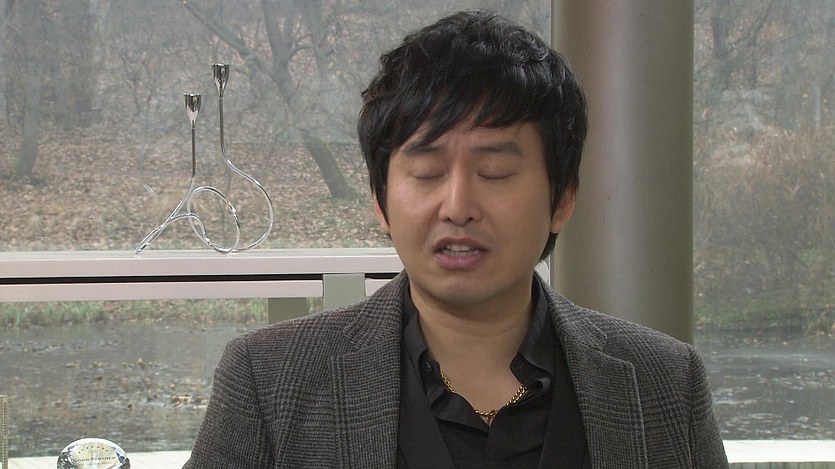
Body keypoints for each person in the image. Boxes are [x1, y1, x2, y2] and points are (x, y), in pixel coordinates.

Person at [185, 10, 728, 468]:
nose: (458, 206)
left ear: (562, 199)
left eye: (495, 172)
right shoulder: (269, 380)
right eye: (427, 172)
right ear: (380, 200)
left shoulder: (665, 382)